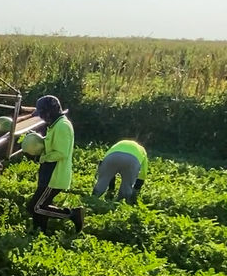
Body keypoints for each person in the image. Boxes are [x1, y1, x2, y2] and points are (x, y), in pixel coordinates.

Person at [27, 95, 84, 233]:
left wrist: (42, 158)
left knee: (35, 207)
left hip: (55, 175)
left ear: (49, 112)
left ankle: (72, 215)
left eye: (42, 114)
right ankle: (39, 230)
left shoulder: (62, 126)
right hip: (49, 172)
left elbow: (61, 152)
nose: (41, 117)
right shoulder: (55, 125)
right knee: (42, 205)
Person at [92, 139, 148, 204]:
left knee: (103, 181)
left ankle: (93, 200)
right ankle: (121, 203)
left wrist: (111, 188)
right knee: (126, 186)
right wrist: (137, 188)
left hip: (112, 157)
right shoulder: (142, 150)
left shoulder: (118, 144)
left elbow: (105, 164)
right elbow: (143, 172)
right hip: (132, 161)